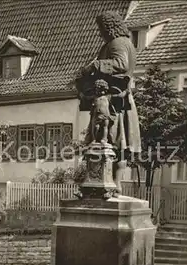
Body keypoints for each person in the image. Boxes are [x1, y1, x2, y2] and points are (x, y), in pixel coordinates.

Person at [76, 11, 142, 195]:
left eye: (101, 29)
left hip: (114, 100)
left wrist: (95, 66)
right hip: (119, 99)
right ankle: (113, 185)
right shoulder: (125, 42)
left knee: (112, 141)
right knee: (118, 145)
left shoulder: (118, 42)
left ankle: (113, 185)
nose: (99, 33)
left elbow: (120, 64)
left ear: (108, 27)